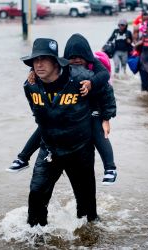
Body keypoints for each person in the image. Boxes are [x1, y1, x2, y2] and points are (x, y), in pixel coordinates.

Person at [9, 34, 118, 185]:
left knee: (99, 131)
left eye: (80, 57)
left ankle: (110, 168)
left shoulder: (95, 67)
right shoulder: (64, 71)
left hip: (95, 105)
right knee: (45, 126)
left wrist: (106, 117)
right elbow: (46, 69)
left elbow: (107, 90)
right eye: (72, 58)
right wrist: (32, 72)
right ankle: (22, 158)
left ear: (87, 57)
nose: (76, 60)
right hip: (72, 113)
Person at [20, 38, 100, 226]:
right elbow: (40, 119)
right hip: (50, 149)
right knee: (36, 196)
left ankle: (90, 241)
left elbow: (105, 92)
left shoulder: (81, 78)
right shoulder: (30, 86)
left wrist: (104, 118)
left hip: (79, 149)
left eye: (44, 59)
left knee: (87, 210)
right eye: (35, 60)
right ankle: (36, 239)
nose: (38, 64)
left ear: (56, 62)